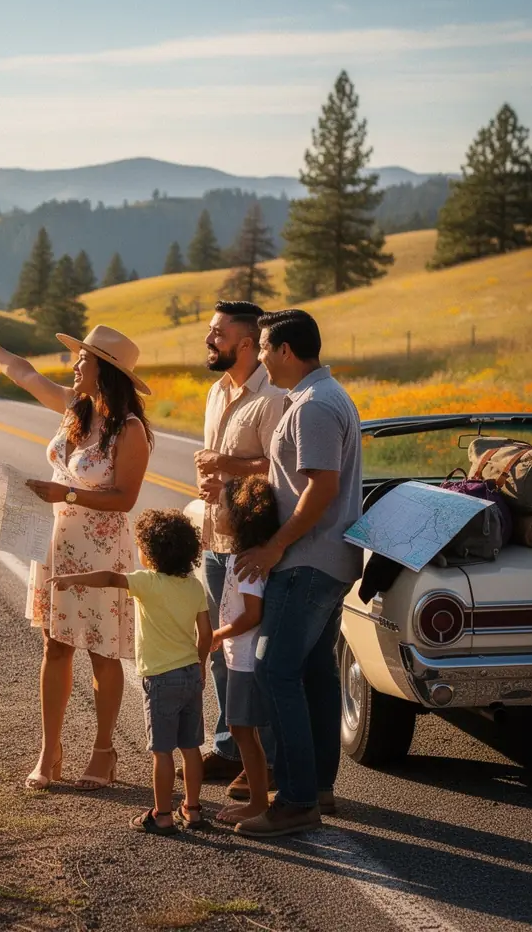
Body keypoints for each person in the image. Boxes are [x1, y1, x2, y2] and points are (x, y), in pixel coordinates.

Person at [0, 317, 153, 791]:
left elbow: (125, 499)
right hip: (56, 545)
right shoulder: (74, 408)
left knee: (102, 651)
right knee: (54, 645)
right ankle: (49, 751)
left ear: (106, 370)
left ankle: (104, 751)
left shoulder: (130, 430)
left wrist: (68, 494)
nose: (75, 366)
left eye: (84, 360)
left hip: (101, 551)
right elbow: (23, 372)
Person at [232, 309, 363, 838]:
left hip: (308, 561)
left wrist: (274, 546)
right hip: (322, 559)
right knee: (313, 673)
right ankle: (318, 788)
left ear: (286, 350)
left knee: (274, 671)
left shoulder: (315, 406)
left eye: (264, 347)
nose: (260, 357)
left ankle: (296, 800)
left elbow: (322, 487)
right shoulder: (319, 397)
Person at [50, 509, 212, 834]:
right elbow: (205, 633)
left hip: (161, 678)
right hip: (190, 675)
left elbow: (110, 578)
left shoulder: (146, 582)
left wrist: (72, 579)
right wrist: (200, 664)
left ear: (150, 552)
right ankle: (193, 810)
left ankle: (162, 814)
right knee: (191, 747)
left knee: (162, 751)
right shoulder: (194, 586)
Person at [193, 301, 285, 787]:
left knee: (250, 654)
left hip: (251, 544)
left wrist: (225, 466)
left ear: (246, 343)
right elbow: (218, 465)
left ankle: (262, 761)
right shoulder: (215, 392)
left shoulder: (272, 397)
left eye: (218, 333)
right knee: (219, 652)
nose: (209, 340)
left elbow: (279, 468)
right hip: (215, 536)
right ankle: (230, 748)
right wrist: (212, 480)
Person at [208, 475, 280, 826]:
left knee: (242, 730)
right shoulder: (240, 556)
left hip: (247, 662)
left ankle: (257, 802)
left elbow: (253, 614)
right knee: (241, 729)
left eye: (222, 507)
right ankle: (258, 797)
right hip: (240, 658)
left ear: (240, 517)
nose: (216, 511)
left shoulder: (247, 563)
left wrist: (217, 634)